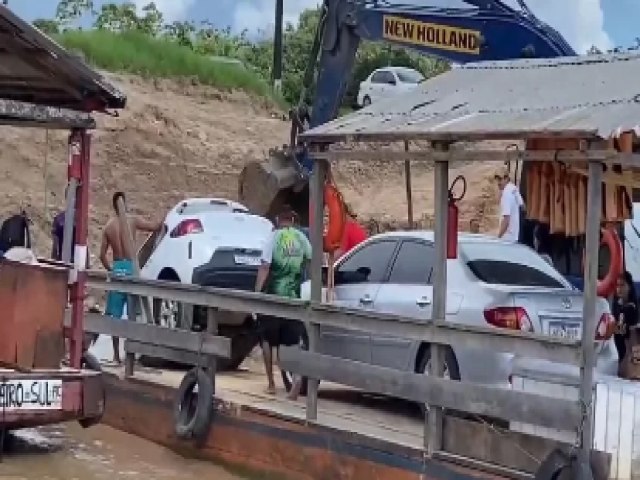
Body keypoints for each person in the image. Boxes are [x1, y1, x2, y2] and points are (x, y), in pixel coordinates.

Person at [254, 204, 312, 395]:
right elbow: (310, 261)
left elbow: (264, 267)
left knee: (268, 340)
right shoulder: (302, 238)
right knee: (292, 341)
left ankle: (271, 383)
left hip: (273, 296)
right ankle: (295, 380)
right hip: (293, 297)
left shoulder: (274, 237)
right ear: (293, 220)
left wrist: (256, 292)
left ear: (278, 220)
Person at [99, 191, 163, 364]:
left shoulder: (108, 227)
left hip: (118, 269)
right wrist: (163, 217)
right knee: (134, 313)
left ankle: (115, 355)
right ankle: (131, 355)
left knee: (115, 316)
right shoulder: (132, 221)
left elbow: (102, 255)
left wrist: (111, 269)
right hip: (131, 268)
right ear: (124, 204)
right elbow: (155, 227)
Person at [613, 271, 639, 365]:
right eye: (617, 285)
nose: (619, 289)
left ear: (629, 287)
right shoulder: (617, 305)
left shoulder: (632, 308)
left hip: (628, 352)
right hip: (617, 350)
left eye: (622, 285)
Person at [494, 167, 524, 243]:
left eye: (500, 179)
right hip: (514, 236)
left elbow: (506, 219)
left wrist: (498, 237)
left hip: (507, 238)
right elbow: (523, 206)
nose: (498, 182)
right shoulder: (513, 189)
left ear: (506, 178)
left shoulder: (506, 194)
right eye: (497, 179)